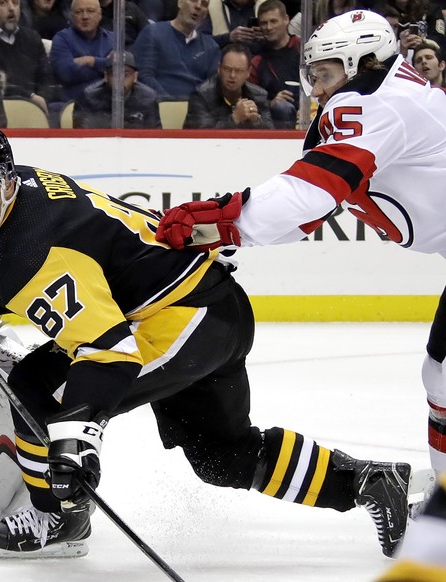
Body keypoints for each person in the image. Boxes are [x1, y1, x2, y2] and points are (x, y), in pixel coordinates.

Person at [0, 120, 413, 559]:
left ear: (3, 181)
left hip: (184, 322)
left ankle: (58, 516)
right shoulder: (20, 185)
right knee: (223, 456)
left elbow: (108, 353)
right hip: (205, 307)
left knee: (38, 395)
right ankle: (369, 480)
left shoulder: (34, 254)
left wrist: (78, 433)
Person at [155, 11, 446, 478]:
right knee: (442, 378)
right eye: (312, 76)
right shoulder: (393, 92)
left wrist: (222, 220)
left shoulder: (374, 101)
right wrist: (224, 236)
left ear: (361, 63)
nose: (316, 89)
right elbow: (312, 211)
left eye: (325, 74)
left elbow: (308, 194)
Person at [0, 0, 56, 112]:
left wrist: (43, 98)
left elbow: (47, 77)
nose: (11, 8)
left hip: (35, 109)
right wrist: (30, 97)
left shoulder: (32, 38)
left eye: (15, 3)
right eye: (3, 3)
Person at [131, 0, 220, 101]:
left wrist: (194, 107)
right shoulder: (152, 32)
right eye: (193, 0)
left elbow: (212, 86)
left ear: (206, 15)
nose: (198, 6)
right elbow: (144, 76)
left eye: (204, 4)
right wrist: (170, 104)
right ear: (180, 2)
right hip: (156, 108)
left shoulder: (211, 47)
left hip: (196, 111)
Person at [184, 42, 275, 128]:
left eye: (239, 71)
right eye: (227, 69)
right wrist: (234, 119)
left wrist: (256, 121)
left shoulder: (259, 95)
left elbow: (273, 137)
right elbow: (200, 136)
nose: (232, 75)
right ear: (219, 69)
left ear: (248, 72)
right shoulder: (201, 95)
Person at [72, 50, 161, 128]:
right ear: (106, 76)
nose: (120, 80)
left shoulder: (148, 98)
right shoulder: (89, 97)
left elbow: (155, 137)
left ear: (135, 77)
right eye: (115, 74)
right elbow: (81, 136)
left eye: (125, 75)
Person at [50, 0, 114, 103]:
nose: (85, 16)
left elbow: (120, 71)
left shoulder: (113, 39)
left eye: (90, 11)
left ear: (100, 14)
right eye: (79, 12)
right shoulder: (61, 39)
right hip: (73, 103)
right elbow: (66, 73)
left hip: (107, 103)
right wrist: (105, 66)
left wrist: (91, 61)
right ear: (72, 16)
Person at [249, 0, 301, 129]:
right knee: (282, 107)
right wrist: (271, 103)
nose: (268, 27)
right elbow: (250, 100)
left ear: (286, 20)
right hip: (275, 123)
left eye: (273, 21)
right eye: (264, 23)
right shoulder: (256, 60)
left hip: (310, 110)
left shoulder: (303, 47)